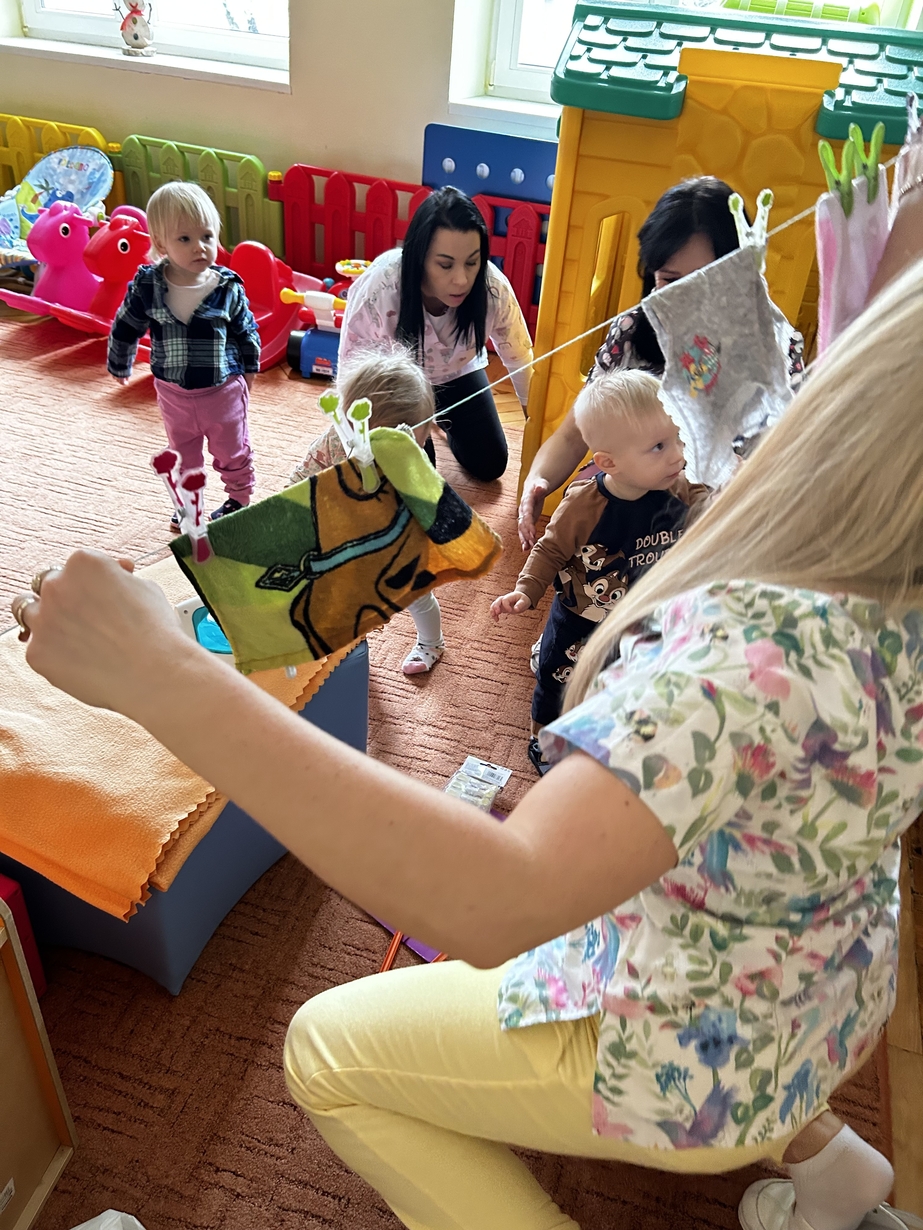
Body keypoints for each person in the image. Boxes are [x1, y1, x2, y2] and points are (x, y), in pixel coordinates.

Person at [13, 249, 923, 1228]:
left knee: (326, 1051)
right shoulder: (886, 610)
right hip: (823, 986)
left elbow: (500, 904)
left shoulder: (754, 651)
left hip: (697, 1051)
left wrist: (158, 673)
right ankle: (830, 1164)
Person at [518, 176, 804, 550]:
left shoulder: (772, 345)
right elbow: (575, 434)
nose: (685, 299)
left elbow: (787, 463)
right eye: (670, 280)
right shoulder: (633, 331)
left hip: (719, 521)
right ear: (652, 276)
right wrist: (538, 480)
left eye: (705, 281)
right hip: (632, 501)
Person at [491, 370, 704, 774]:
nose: (678, 455)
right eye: (659, 447)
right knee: (558, 681)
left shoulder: (676, 487)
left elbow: (707, 503)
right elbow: (551, 548)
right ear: (609, 463)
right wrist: (526, 590)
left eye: (678, 438)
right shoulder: (584, 504)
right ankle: (545, 742)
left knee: (622, 679)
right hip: (580, 618)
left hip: (639, 614)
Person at [338, 186, 533, 483]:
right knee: (415, 476)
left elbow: (519, 355)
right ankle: (430, 426)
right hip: (399, 388)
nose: (461, 280)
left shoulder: (492, 288)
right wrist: (357, 446)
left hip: (457, 375)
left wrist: (535, 418)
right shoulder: (382, 286)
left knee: (491, 464)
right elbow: (351, 371)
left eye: (472, 262)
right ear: (419, 258)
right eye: (445, 265)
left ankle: (442, 423)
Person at [108, 181, 261, 526]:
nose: (199, 247)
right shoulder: (148, 286)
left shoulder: (226, 287)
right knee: (182, 455)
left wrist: (250, 371)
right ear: (161, 243)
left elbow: (246, 331)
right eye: (185, 239)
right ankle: (190, 505)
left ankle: (239, 498)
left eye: (207, 236)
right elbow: (127, 324)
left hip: (222, 393)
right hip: (173, 395)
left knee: (232, 451)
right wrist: (120, 361)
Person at [288, 344, 445, 675]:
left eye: (417, 441)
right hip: (343, 537)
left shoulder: (410, 457)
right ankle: (347, 648)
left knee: (417, 594)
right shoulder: (333, 442)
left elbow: (429, 502)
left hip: (396, 539)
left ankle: (432, 642)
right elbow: (300, 479)